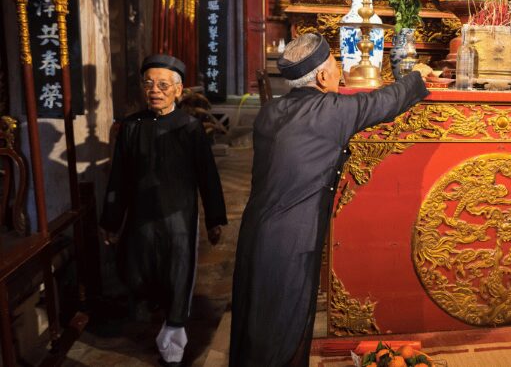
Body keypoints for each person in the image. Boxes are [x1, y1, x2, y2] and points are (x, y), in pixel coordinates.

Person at [230, 33, 429, 366]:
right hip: (292, 239)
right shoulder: (330, 111)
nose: (340, 72)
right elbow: (383, 103)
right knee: (285, 328)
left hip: (255, 231)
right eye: (336, 66)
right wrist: (417, 77)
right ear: (323, 77)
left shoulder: (270, 111)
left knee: (254, 318)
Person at [99, 54, 227, 367]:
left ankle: (175, 334)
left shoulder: (190, 127)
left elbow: (207, 176)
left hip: (179, 216)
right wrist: (112, 221)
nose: (155, 90)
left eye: (163, 85)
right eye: (149, 84)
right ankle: (156, 312)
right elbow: (119, 178)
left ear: (178, 90)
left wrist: (214, 219)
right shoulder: (131, 127)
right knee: (139, 270)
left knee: (179, 271)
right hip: (142, 216)